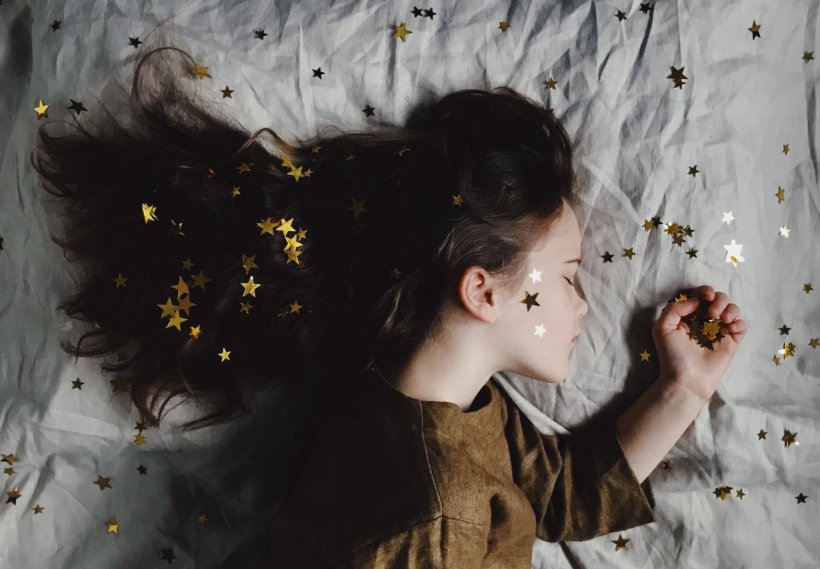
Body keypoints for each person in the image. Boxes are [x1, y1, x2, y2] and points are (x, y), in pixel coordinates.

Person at [29, 43, 747, 567]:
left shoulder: (441, 408)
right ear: (482, 289)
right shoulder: (426, 521)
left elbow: (559, 494)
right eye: (567, 276)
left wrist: (684, 387)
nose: (584, 307)